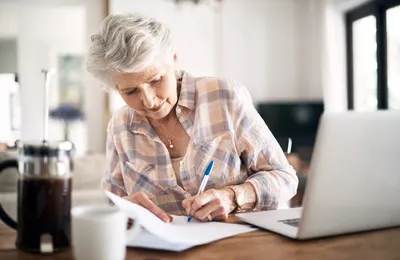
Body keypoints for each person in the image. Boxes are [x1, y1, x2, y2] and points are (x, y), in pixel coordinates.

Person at [86, 13, 298, 223]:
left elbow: (285, 178)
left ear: (174, 60)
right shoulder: (119, 127)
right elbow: (112, 204)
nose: (149, 101)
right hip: (166, 252)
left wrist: (233, 197)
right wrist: (126, 209)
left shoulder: (225, 96)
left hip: (242, 245)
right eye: (131, 92)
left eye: (156, 80)